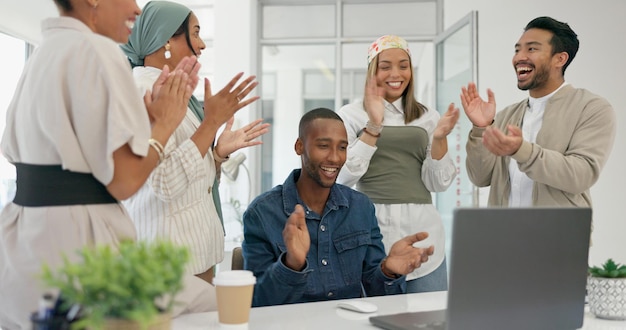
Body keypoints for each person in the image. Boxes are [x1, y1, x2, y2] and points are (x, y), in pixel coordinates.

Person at [0, 0, 245, 328]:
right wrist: (163, 124)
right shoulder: (98, 52)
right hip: (78, 239)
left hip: (27, 232)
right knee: (213, 309)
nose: (135, 10)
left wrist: (147, 122)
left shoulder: (46, 52)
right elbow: (126, 181)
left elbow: (66, 148)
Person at [120, 1, 269, 284]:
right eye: (195, 33)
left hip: (190, 256)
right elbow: (164, 183)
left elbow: (188, 178)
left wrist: (216, 156)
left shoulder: (175, 93)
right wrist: (211, 123)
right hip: (169, 264)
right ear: (166, 39)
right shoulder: (144, 92)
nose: (201, 45)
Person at [242, 108, 435, 307]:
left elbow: (377, 291)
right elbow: (257, 303)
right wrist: (292, 265)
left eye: (342, 148)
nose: (335, 158)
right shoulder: (261, 213)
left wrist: (388, 271)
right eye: (323, 146)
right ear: (299, 146)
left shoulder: (361, 207)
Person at [337, 35, 459, 293]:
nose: (396, 73)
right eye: (385, 66)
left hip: (422, 232)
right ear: (373, 70)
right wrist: (374, 125)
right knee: (371, 316)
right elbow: (342, 177)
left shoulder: (428, 116)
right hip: (369, 230)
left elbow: (437, 183)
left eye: (403, 65)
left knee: (430, 318)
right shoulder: (350, 115)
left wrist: (439, 138)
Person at [460, 16, 616, 207]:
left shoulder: (591, 108)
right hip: (504, 234)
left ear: (560, 59)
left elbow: (580, 175)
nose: (519, 57)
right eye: (517, 50)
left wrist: (521, 151)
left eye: (531, 49)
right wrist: (481, 128)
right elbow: (479, 177)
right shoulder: (507, 115)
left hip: (559, 236)